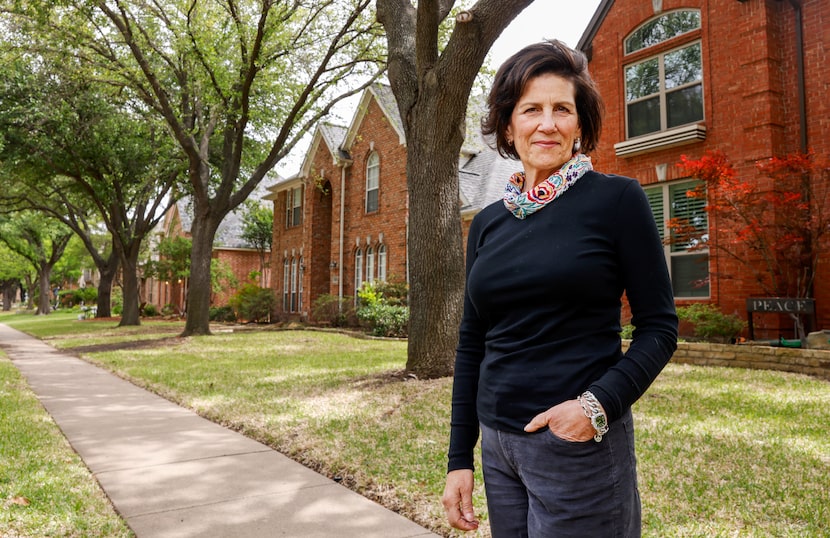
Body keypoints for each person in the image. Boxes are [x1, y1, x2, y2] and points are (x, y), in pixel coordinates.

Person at [441, 40, 678, 537]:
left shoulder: (617, 201)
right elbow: (471, 344)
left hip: (576, 446)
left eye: (561, 109)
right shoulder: (487, 223)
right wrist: (458, 458)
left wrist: (595, 406)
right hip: (498, 447)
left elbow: (659, 328)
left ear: (579, 124)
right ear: (509, 125)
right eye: (531, 109)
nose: (546, 123)